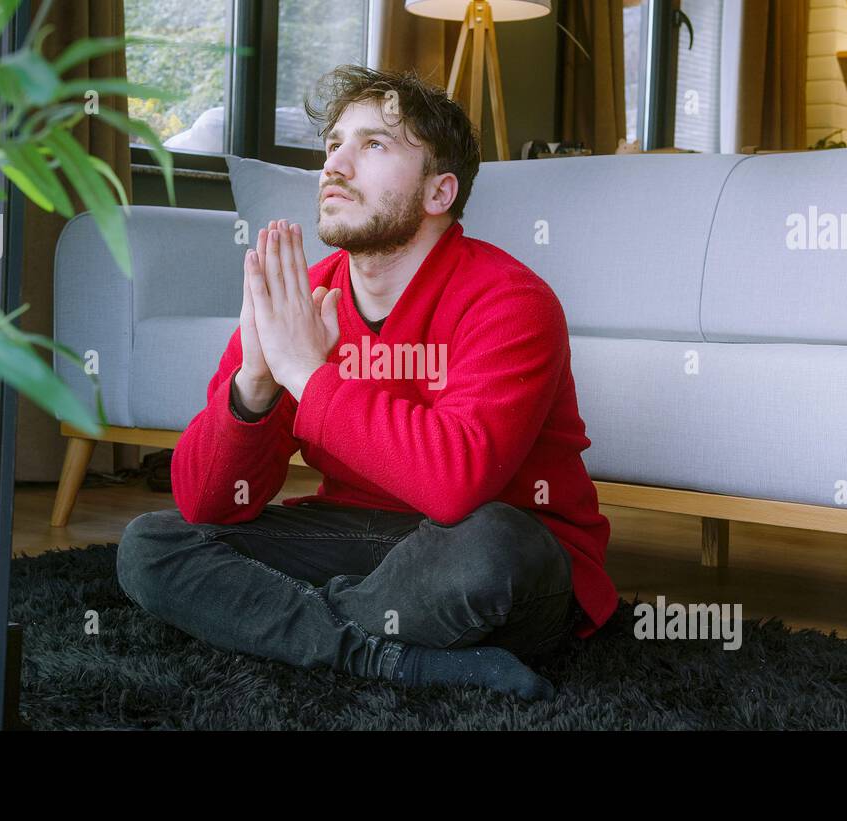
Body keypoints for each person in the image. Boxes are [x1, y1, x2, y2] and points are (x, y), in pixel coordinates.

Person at [117, 65, 618, 701]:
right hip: (356, 535)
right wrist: (257, 383)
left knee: (491, 550)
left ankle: (288, 626)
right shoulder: (305, 296)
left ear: (439, 193)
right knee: (153, 545)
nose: (335, 165)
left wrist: (307, 372)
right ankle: (391, 659)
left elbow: (454, 484)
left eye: (373, 145)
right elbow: (206, 501)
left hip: (490, 546)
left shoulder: (511, 300)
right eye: (334, 144)